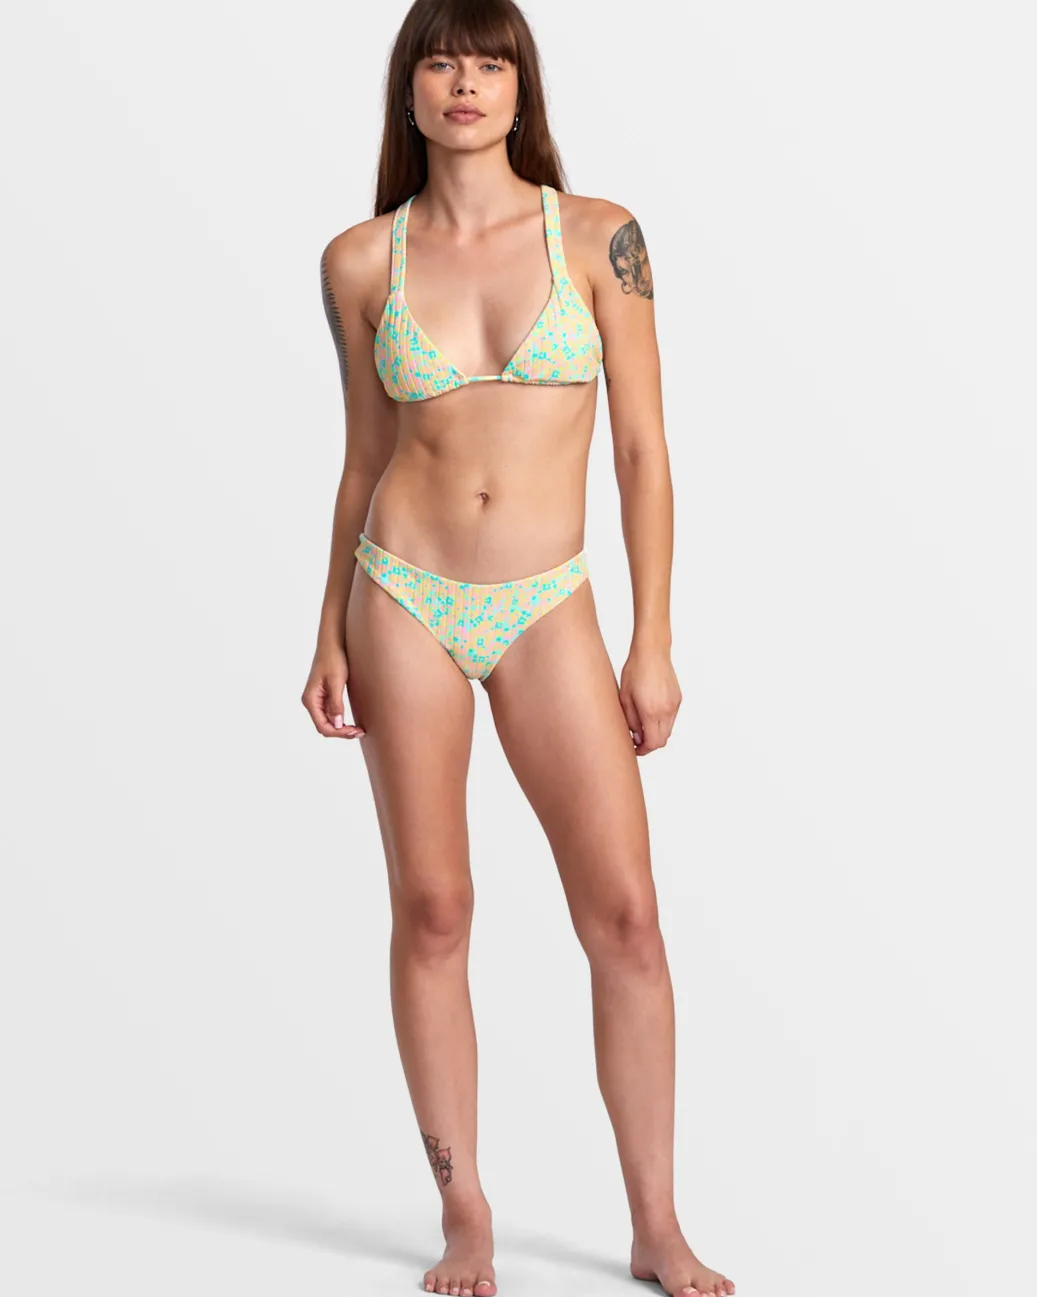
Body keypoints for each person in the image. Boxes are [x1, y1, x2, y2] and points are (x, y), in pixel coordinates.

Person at [302, 3, 734, 1296]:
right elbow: (363, 458)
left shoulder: (601, 237)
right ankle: (466, 1213)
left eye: (490, 62)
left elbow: (645, 451)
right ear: (410, 89)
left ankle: (655, 1225)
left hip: (549, 602)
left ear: (520, 88)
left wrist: (654, 641)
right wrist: (326, 628)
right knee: (434, 909)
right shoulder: (360, 260)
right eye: (440, 61)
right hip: (401, 594)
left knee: (628, 920)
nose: (465, 83)